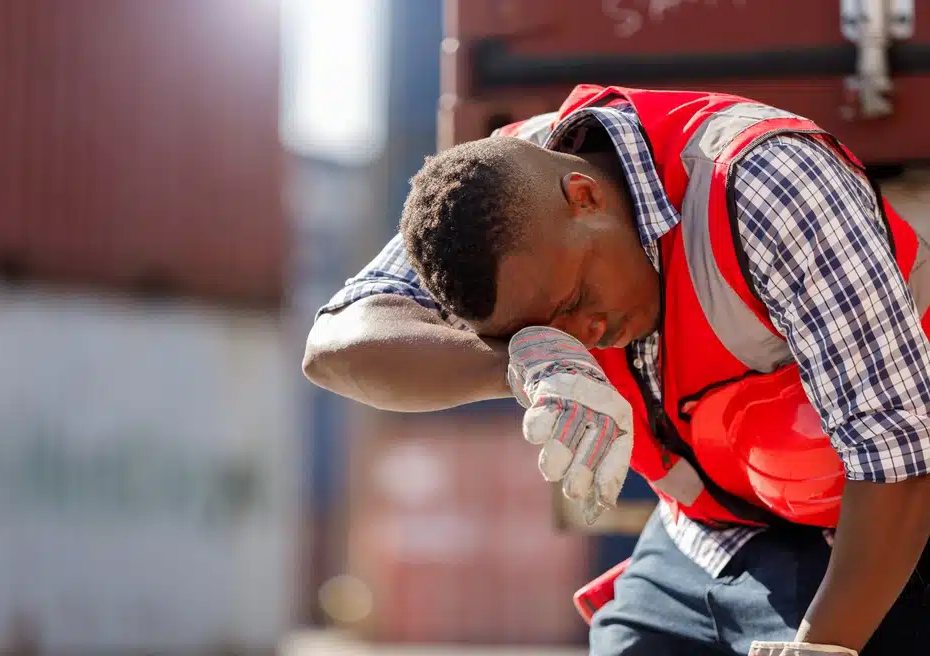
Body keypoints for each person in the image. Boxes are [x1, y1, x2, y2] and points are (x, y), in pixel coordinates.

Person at [301, 85, 930, 655]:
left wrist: (820, 650)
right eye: (548, 325)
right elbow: (335, 346)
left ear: (586, 197)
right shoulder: (487, 205)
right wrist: (527, 361)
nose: (587, 336)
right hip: (717, 531)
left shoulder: (765, 182)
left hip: (888, 529)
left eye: (575, 302)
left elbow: (901, 454)